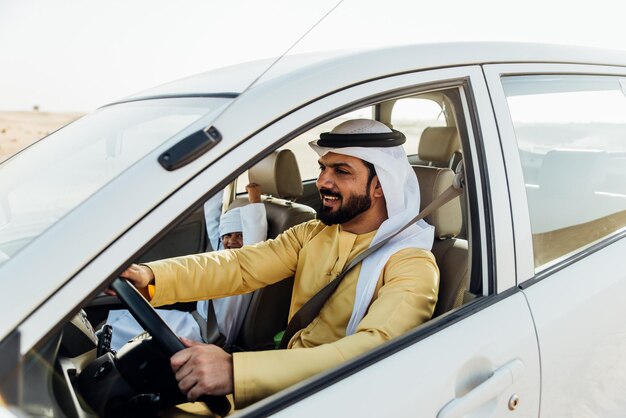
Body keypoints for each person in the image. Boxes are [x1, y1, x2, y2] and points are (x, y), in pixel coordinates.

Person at [120, 119, 439, 409]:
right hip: (278, 381)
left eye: (341, 172)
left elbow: (374, 349)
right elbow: (239, 266)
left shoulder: (411, 264)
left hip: (329, 398)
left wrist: (235, 371)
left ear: (381, 185)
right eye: (322, 168)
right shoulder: (313, 234)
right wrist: (150, 276)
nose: (323, 182)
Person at [105, 183, 267, 351]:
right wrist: (220, 181)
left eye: (240, 236)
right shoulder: (222, 250)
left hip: (208, 335)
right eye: (227, 235)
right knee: (129, 319)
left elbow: (256, 235)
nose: (232, 241)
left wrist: (254, 198)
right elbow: (212, 218)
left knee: (135, 334)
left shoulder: (247, 263)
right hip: (192, 320)